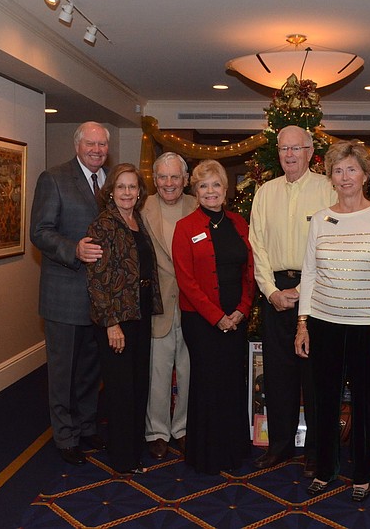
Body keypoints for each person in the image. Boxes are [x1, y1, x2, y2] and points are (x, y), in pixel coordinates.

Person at [295, 140, 370, 502]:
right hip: (323, 323)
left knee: (367, 404)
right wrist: (303, 323)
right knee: (324, 400)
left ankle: (363, 475)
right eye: (338, 170)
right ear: (331, 177)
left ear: (365, 175)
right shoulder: (321, 219)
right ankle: (325, 469)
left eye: (352, 169)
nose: (345, 176)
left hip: (367, 326)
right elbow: (308, 273)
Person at [249, 125, 336, 477]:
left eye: (295, 148)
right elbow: (257, 246)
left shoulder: (327, 189)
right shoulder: (265, 193)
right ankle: (281, 445)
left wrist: (302, 292)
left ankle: (316, 451)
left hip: (316, 294)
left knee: (315, 376)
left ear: (310, 150)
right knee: (278, 376)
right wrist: (270, 291)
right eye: (283, 148)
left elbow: (331, 245)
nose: (288, 155)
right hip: (274, 295)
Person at [30, 121, 110, 465]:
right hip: (64, 294)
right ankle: (65, 436)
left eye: (102, 145)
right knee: (63, 371)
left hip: (100, 298)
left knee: (91, 369)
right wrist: (73, 250)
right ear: (77, 145)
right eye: (90, 144)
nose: (97, 150)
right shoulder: (54, 178)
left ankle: (86, 425)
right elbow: (40, 231)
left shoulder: (109, 183)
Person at [172, 159, 255, 474]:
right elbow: (186, 280)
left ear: (225, 189)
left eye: (216, 185)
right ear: (195, 191)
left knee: (233, 381)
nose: (210, 191)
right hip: (201, 321)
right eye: (203, 186)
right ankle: (207, 455)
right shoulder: (186, 227)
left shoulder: (239, 223)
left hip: (237, 318)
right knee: (208, 383)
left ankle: (234, 450)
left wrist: (242, 310)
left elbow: (250, 271)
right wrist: (216, 316)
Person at [86, 163, 162, 474]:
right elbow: (97, 279)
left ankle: (133, 450)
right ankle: (122, 458)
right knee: (120, 390)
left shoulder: (136, 219)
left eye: (132, 187)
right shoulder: (103, 225)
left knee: (137, 384)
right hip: (118, 319)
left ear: (139, 192)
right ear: (111, 192)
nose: (127, 192)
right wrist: (111, 323)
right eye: (121, 187)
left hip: (140, 313)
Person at [140, 152, 197, 459]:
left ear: (185, 180)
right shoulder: (141, 207)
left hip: (192, 303)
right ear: (154, 179)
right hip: (157, 302)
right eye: (162, 177)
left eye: (175, 177)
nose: (169, 183)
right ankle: (157, 431)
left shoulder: (198, 204)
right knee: (158, 370)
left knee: (188, 369)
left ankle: (184, 428)